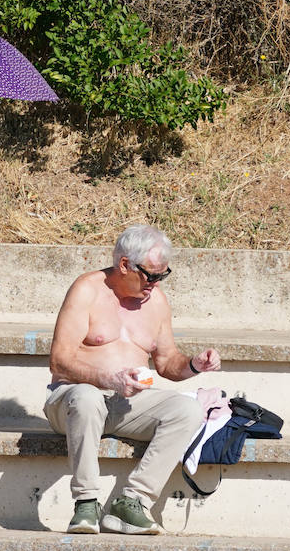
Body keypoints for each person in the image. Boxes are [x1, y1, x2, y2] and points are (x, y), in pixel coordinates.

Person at [45, 225, 221, 535]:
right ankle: (86, 503)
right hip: (73, 399)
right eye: (150, 275)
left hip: (128, 404)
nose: (154, 284)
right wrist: (107, 378)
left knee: (188, 411)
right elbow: (59, 361)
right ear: (125, 264)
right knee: (86, 398)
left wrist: (194, 364)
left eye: (162, 276)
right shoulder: (88, 290)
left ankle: (133, 502)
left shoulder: (156, 302)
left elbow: (167, 363)